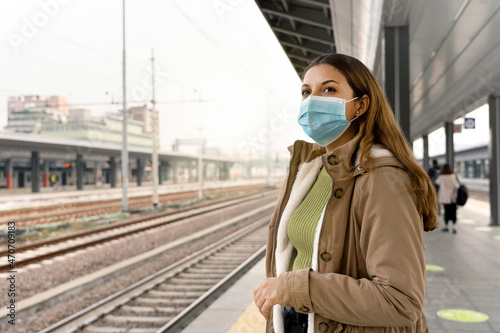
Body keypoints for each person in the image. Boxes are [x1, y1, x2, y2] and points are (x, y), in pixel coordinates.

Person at [253, 53, 438, 333]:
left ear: (361, 105)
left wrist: (291, 287)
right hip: (301, 320)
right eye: (306, 92)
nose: (313, 100)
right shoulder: (310, 170)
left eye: (328, 89)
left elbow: (400, 301)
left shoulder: (382, 178)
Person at [435, 164, 459, 234]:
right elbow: (456, 186)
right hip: (453, 198)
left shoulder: (441, 176)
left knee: (446, 212)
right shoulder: (453, 176)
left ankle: (446, 227)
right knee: (453, 212)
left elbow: (437, 182)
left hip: (445, 198)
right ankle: (454, 227)